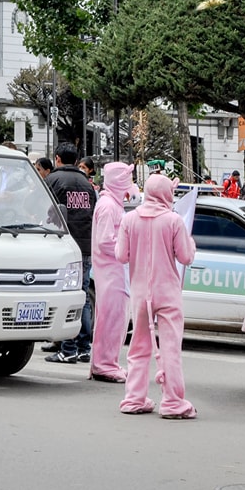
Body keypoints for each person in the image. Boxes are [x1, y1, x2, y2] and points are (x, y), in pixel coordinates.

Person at [115, 174, 197, 418]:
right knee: (171, 348)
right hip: (168, 293)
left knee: (138, 347)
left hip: (140, 293)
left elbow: (121, 255)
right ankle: (172, 401)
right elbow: (185, 257)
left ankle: (134, 398)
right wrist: (190, 243)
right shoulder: (173, 221)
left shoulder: (129, 219)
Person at [44, 143, 97, 364]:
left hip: (62, 248)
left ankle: (68, 348)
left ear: (57, 159)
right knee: (82, 297)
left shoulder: (53, 180)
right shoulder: (87, 184)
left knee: (66, 298)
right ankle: (84, 347)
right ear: (76, 161)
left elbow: (43, 209)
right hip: (85, 247)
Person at [89, 161, 139, 384]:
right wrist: (128, 246)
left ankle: (106, 362)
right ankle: (105, 364)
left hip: (114, 271)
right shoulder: (109, 206)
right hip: (111, 272)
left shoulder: (112, 203)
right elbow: (105, 241)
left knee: (114, 319)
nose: (130, 184)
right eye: (127, 179)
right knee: (112, 319)